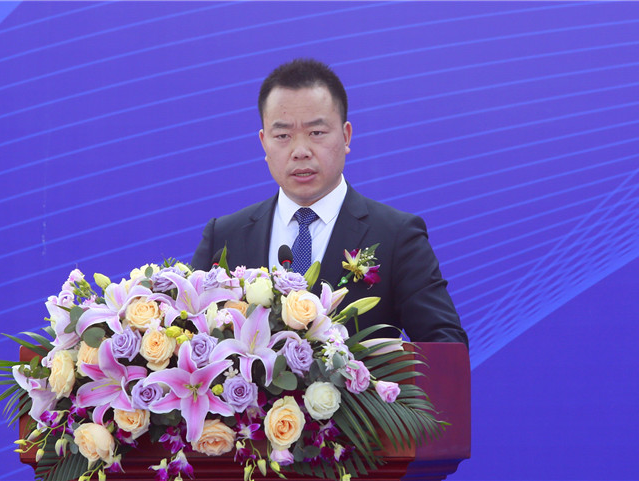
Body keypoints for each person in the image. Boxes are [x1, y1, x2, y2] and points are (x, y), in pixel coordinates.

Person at [191, 58, 467, 345]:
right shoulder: (224, 237)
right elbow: (188, 335)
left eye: (316, 133)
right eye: (282, 135)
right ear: (264, 142)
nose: (300, 150)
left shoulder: (397, 236)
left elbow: (446, 345)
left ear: (346, 136)